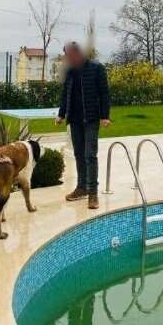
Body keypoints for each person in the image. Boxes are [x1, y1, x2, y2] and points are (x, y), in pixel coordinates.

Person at [56, 42, 111, 209]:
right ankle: (82, 188)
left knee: (90, 155)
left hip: (91, 119)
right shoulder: (70, 72)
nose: (68, 58)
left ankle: (93, 193)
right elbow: (66, 94)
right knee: (79, 154)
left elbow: (104, 93)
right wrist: (61, 114)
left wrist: (105, 116)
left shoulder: (96, 68)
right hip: (74, 119)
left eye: (69, 55)